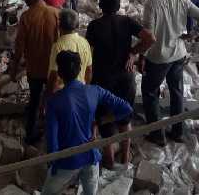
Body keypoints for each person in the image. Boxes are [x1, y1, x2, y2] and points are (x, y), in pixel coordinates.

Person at [41, 51, 133, 195]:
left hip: (67, 161)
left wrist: (53, 165)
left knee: (47, 192)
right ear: (79, 70)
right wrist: (101, 121)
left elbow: (52, 142)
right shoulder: (94, 91)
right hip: (91, 157)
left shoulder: (53, 102)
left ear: (59, 72)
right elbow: (126, 109)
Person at [141, 0, 199, 146]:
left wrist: (141, 54)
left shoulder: (151, 4)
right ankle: (177, 132)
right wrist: (192, 35)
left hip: (158, 56)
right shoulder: (182, 1)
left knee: (150, 93)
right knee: (176, 92)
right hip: (179, 54)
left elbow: (149, 35)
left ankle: (157, 134)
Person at [85, 0, 155, 167]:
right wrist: (133, 52)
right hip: (126, 77)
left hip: (103, 79)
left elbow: (88, 53)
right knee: (124, 119)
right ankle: (125, 158)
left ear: (101, 6)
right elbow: (150, 38)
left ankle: (108, 161)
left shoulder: (94, 26)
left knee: (104, 123)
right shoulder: (127, 21)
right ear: (118, 7)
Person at [12, 0, 60, 145]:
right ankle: (54, 133)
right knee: (53, 99)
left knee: (34, 101)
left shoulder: (26, 17)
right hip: (54, 69)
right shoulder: (55, 13)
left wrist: (13, 68)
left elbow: (19, 46)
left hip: (35, 69)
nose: (23, 0)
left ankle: (30, 134)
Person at [47, 8, 93, 93]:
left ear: (59, 25)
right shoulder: (84, 42)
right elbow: (89, 70)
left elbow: (54, 75)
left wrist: (48, 95)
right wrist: (86, 88)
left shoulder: (58, 46)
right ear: (76, 25)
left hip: (63, 92)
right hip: (80, 89)